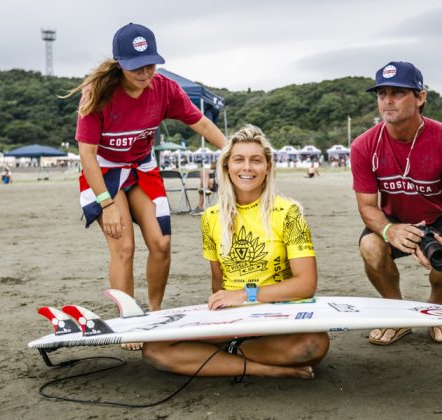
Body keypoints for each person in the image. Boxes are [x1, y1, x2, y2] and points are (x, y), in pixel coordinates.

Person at [66, 23, 226, 330]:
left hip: (141, 168)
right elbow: (87, 155)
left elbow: (202, 125)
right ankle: (127, 320)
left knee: (161, 243)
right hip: (104, 172)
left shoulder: (165, 89)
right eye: (136, 67)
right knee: (124, 246)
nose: (145, 73)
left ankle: (154, 315)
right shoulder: (97, 94)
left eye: (150, 64)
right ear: (120, 64)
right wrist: (107, 204)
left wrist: (233, 151)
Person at [143, 125, 330, 378]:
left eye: (256, 161)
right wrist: (226, 311)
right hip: (233, 315)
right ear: (226, 167)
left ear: (267, 167)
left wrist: (245, 295)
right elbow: (217, 282)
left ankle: (223, 355)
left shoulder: (288, 212)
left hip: (277, 313)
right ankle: (263, 368)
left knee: (313, 345)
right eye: (238, 160)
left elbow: (306, 284)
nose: (247, 168)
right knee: (154, 350)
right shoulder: (211, 217)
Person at [350, 61, 442, 345]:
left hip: (440, 218)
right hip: (394, 217)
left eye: (398, 92)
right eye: (382, 93)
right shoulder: (363, 145)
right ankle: (398, 315)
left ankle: (434, 309)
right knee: (370, 245)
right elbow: (368, 206)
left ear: (420, 97)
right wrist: (388, 231)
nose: (388, 100)